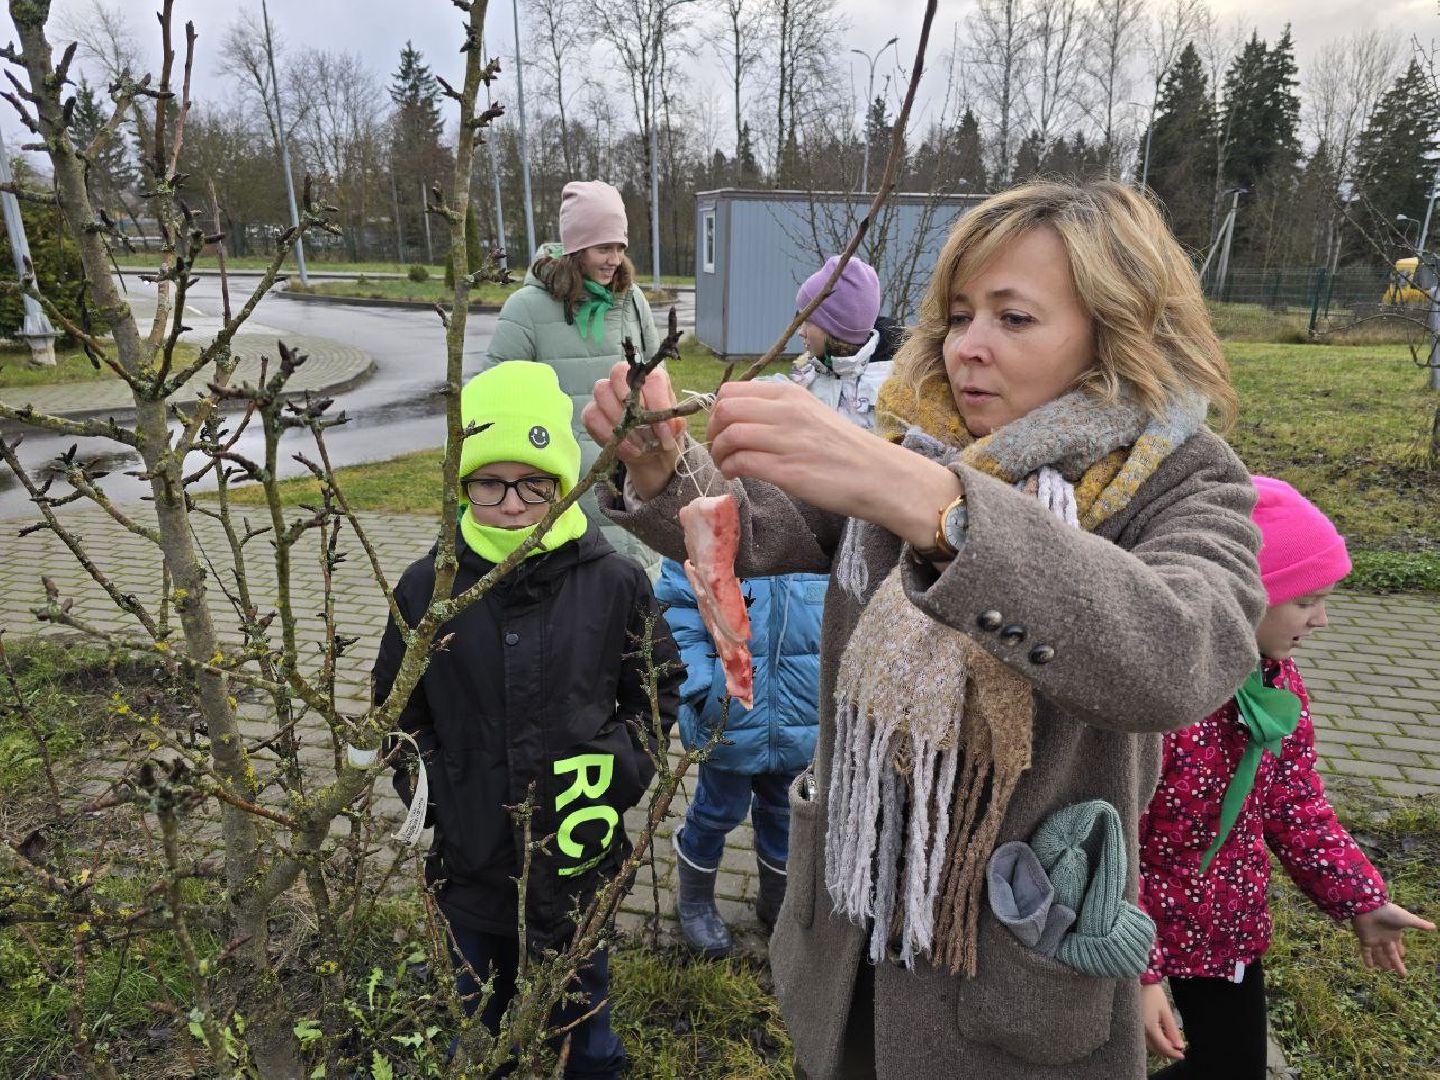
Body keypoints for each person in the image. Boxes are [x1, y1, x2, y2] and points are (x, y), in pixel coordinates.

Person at [583, 179, 1269, 1079]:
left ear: (1117, 329)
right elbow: (762, 526)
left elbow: (1181, 654)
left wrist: (944, 513)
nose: (967, 347)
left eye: (1013, 318)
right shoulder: (924, 441)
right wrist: (663, 468)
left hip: (1009, 976)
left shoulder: (1181, 477)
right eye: (958, 315)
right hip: (853, 932)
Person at [372, 361, 681, 1077]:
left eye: (534, 484)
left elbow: (655, 688)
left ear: (563, 483)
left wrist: (617, 772)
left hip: (577, 845)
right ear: (462, 487)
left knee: (580, 1005)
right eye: (489, 483)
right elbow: (397, 710)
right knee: (478, 1012)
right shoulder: (427, 588)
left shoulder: (613, 580)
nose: (512, 505)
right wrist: (439, 793)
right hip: (471, 859)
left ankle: (588, 1062)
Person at [1138, 476, 1435, 1079]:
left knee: (1232, 1066)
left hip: (1221, 914)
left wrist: (1361, 899)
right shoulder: (1154, 696)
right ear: (1243, 592)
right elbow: (1106, 835)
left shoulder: (1274, 679)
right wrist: (1136, 971)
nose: (1322, 620)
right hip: (1125, 924)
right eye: (1306, 600)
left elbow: (1292, 801)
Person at [485, 179, 661, 573]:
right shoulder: (526, 309)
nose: (614, 259)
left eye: (620, 247)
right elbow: (494, 398)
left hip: (629, 475)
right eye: (603, 248)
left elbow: (656, 375)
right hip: (561, 485)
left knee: (635, 585)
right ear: (576, 248)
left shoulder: (631, 300)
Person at [656, 559, 826, 957]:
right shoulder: (710, 526)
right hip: (728, 719)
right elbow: (676, 605)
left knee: (787, 814)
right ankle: (695, 901)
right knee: (717, 811)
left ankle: (777, 900)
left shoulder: (820, 531)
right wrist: (702, 685)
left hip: (803, 719)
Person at [788, 255, 900, 430]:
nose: (800, 332)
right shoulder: (807, 376)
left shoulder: (891, 389)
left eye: (808, 321)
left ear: (834, 329)